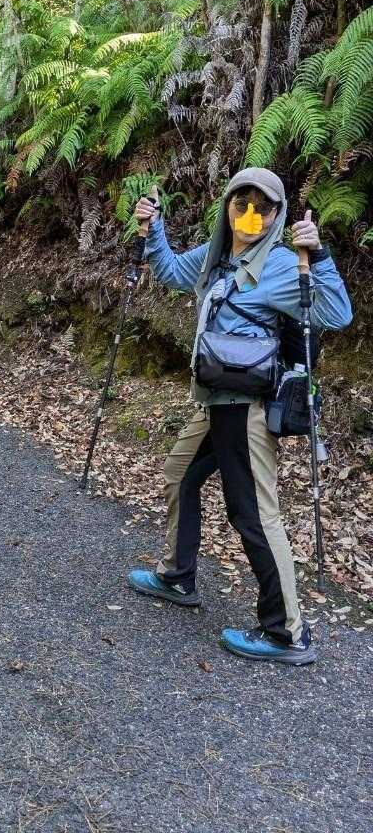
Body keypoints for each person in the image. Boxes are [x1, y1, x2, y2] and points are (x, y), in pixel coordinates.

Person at [127, 166, 353, 665]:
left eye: (263, 208)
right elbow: (171, 271)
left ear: (278, 215)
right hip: (215, 402)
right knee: (180, 473)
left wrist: (319, 254)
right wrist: (154, 229)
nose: (251, 215)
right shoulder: (217, 254)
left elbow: (337, 314)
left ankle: (287, 632)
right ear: (227, 206)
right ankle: (177, 576)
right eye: (241, 204)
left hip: (247, 407)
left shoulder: (281, 264)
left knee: (253, 513)